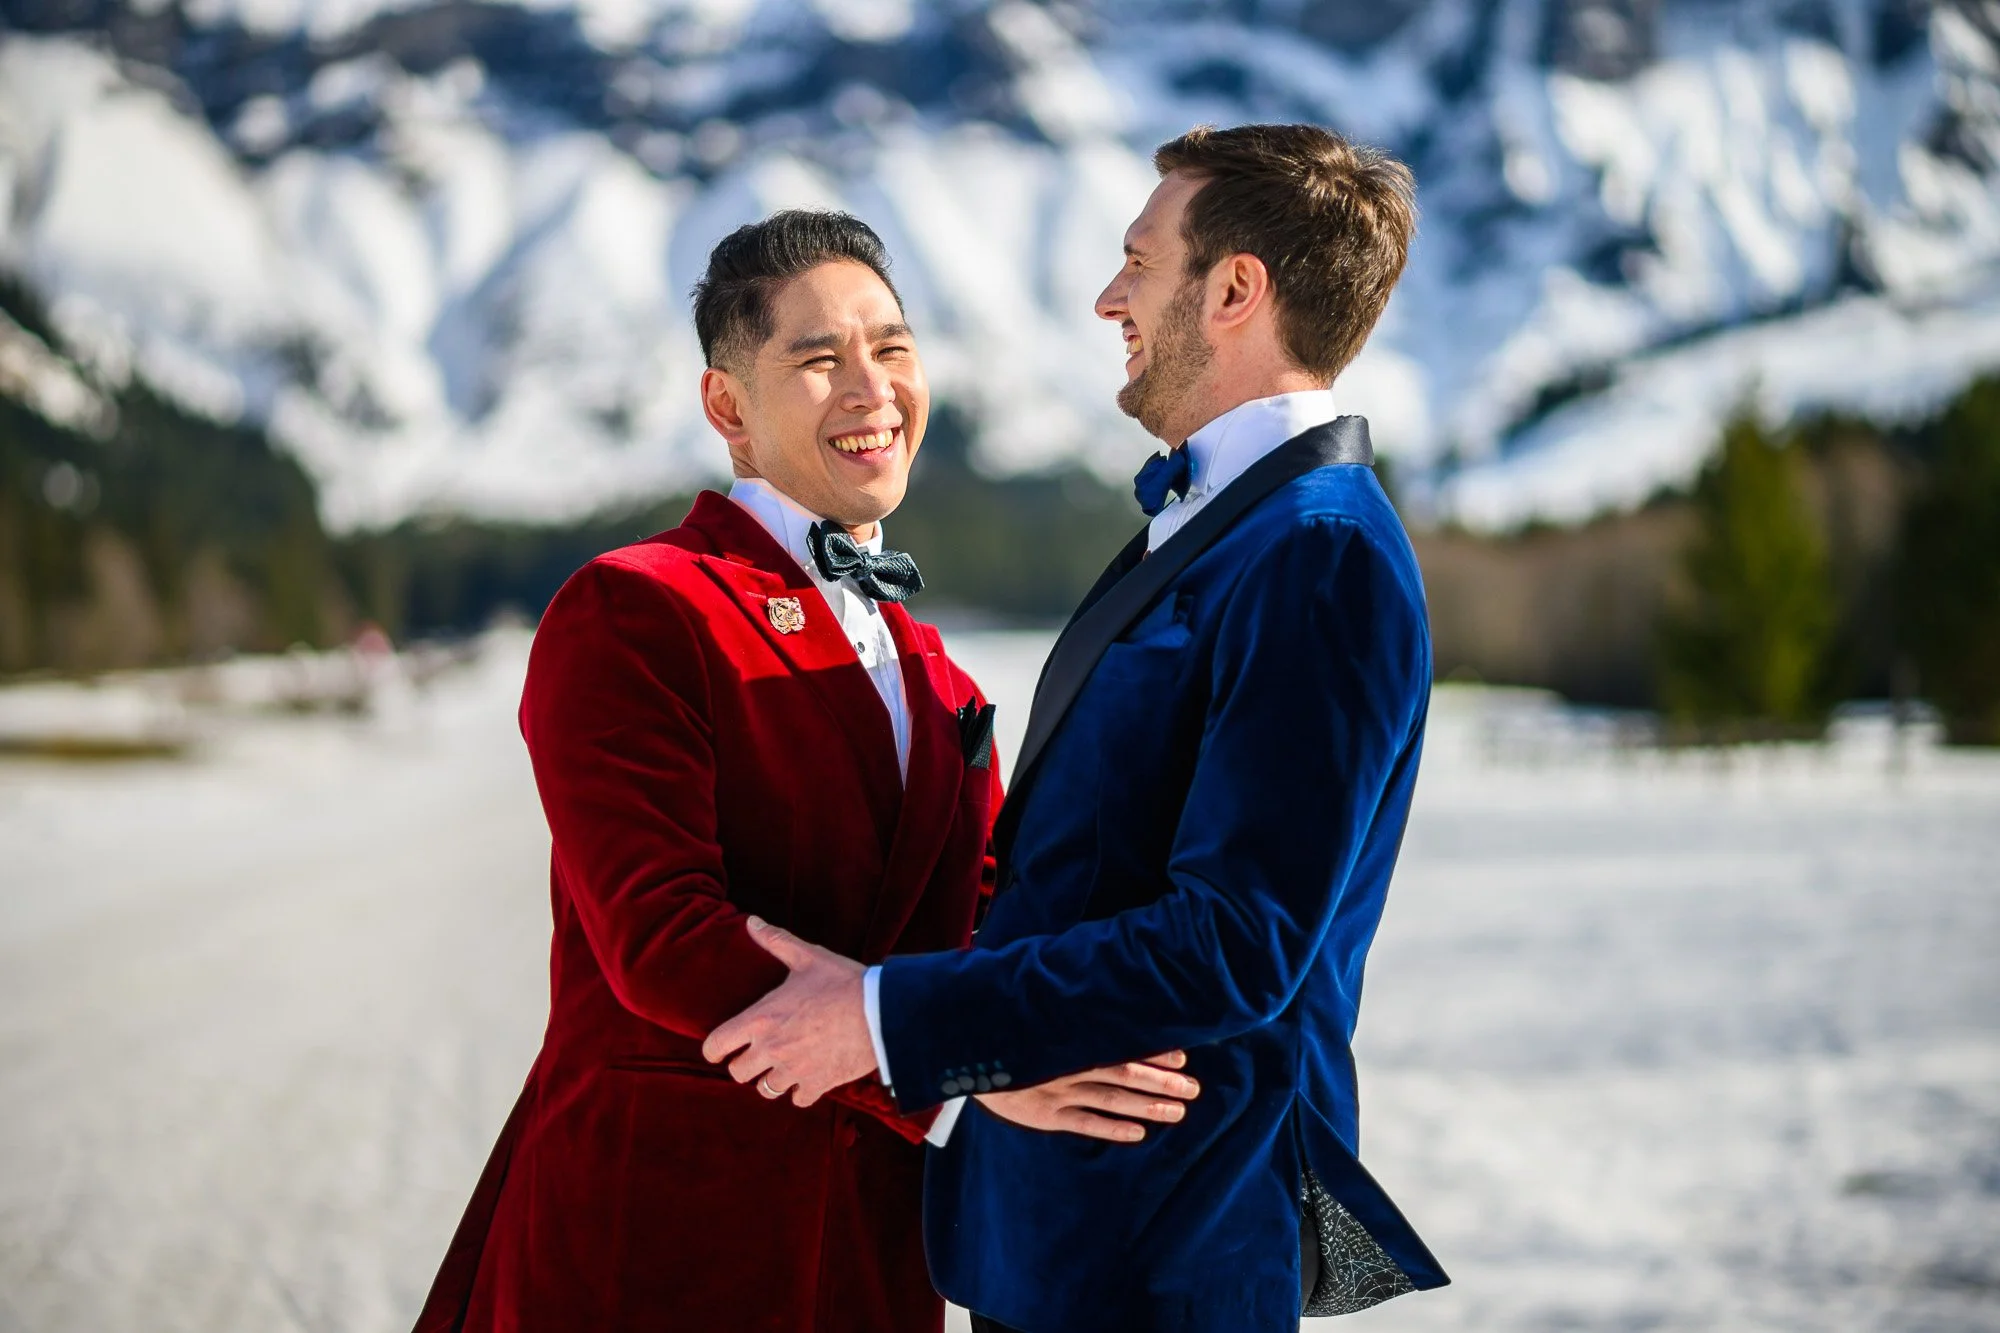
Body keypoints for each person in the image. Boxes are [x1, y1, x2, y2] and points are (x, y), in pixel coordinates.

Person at [704, 125, 1451, 1331]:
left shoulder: (1319, 553)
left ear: (1233, 291)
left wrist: (891, 1018)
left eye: (1138, 263)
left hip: (1166, 1246)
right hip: (1066, 1240)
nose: (1110, 296)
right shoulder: (1223, 524)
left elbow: (1233, 943)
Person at [412, 210, 1196, 1333]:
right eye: (818, 358)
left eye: (890, 347)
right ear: (727, 408)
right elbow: (660, 938)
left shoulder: (940, 678)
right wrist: (965, 1065)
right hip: (653, 1246)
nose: (869, 387)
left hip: (874, 1265)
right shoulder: (635, 608)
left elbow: (981, 924)